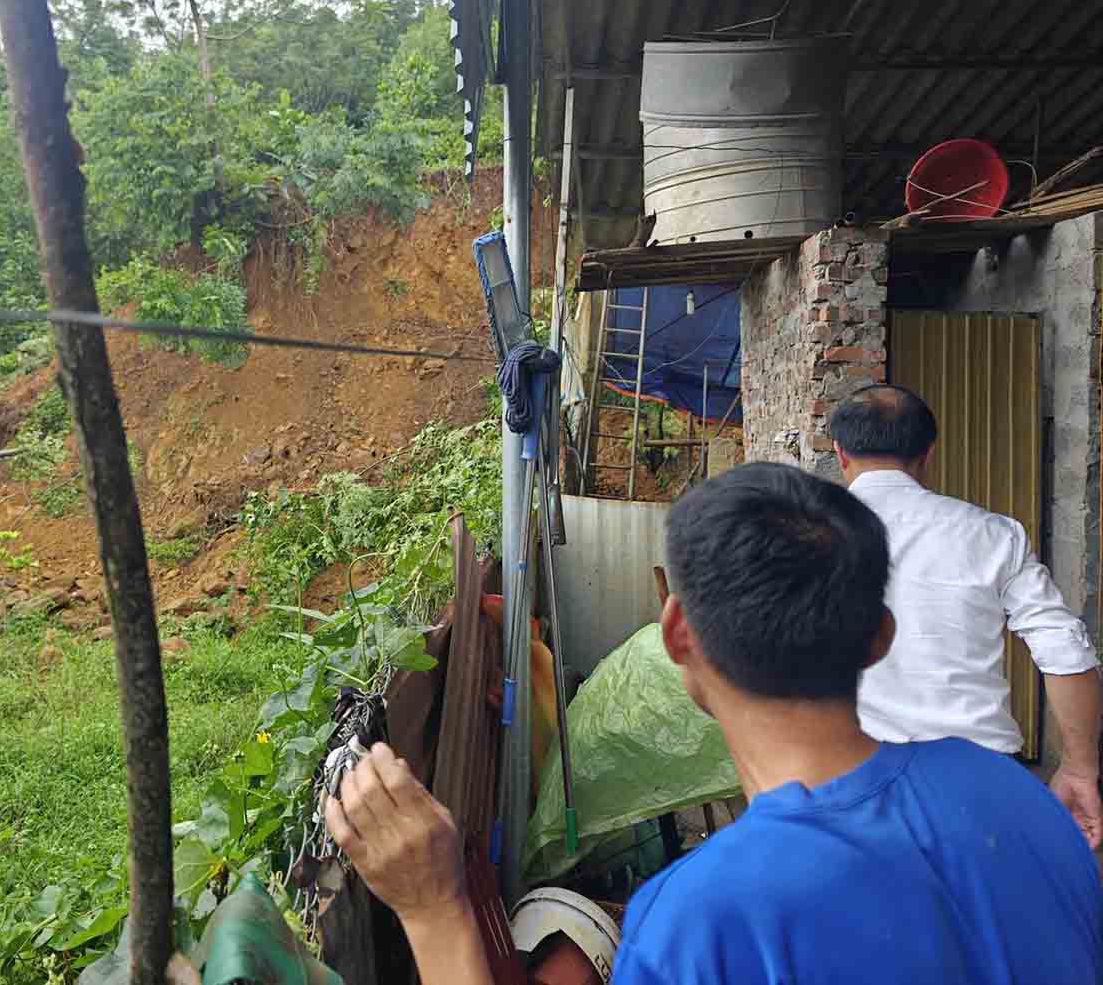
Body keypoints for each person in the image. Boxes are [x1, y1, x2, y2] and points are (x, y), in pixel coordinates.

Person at [326, 463, 1103, 985]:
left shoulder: (703, 921)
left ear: (676, 637)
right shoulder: (1021, 799)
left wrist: (433, 913)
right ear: (881, 636)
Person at [829, 383, 1103, 848]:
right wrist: (1080, 767)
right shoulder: (994, 535)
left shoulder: (801, 537)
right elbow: (1066, 654)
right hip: (982, 781)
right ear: (929, 453)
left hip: (848, 781)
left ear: (839, 454)